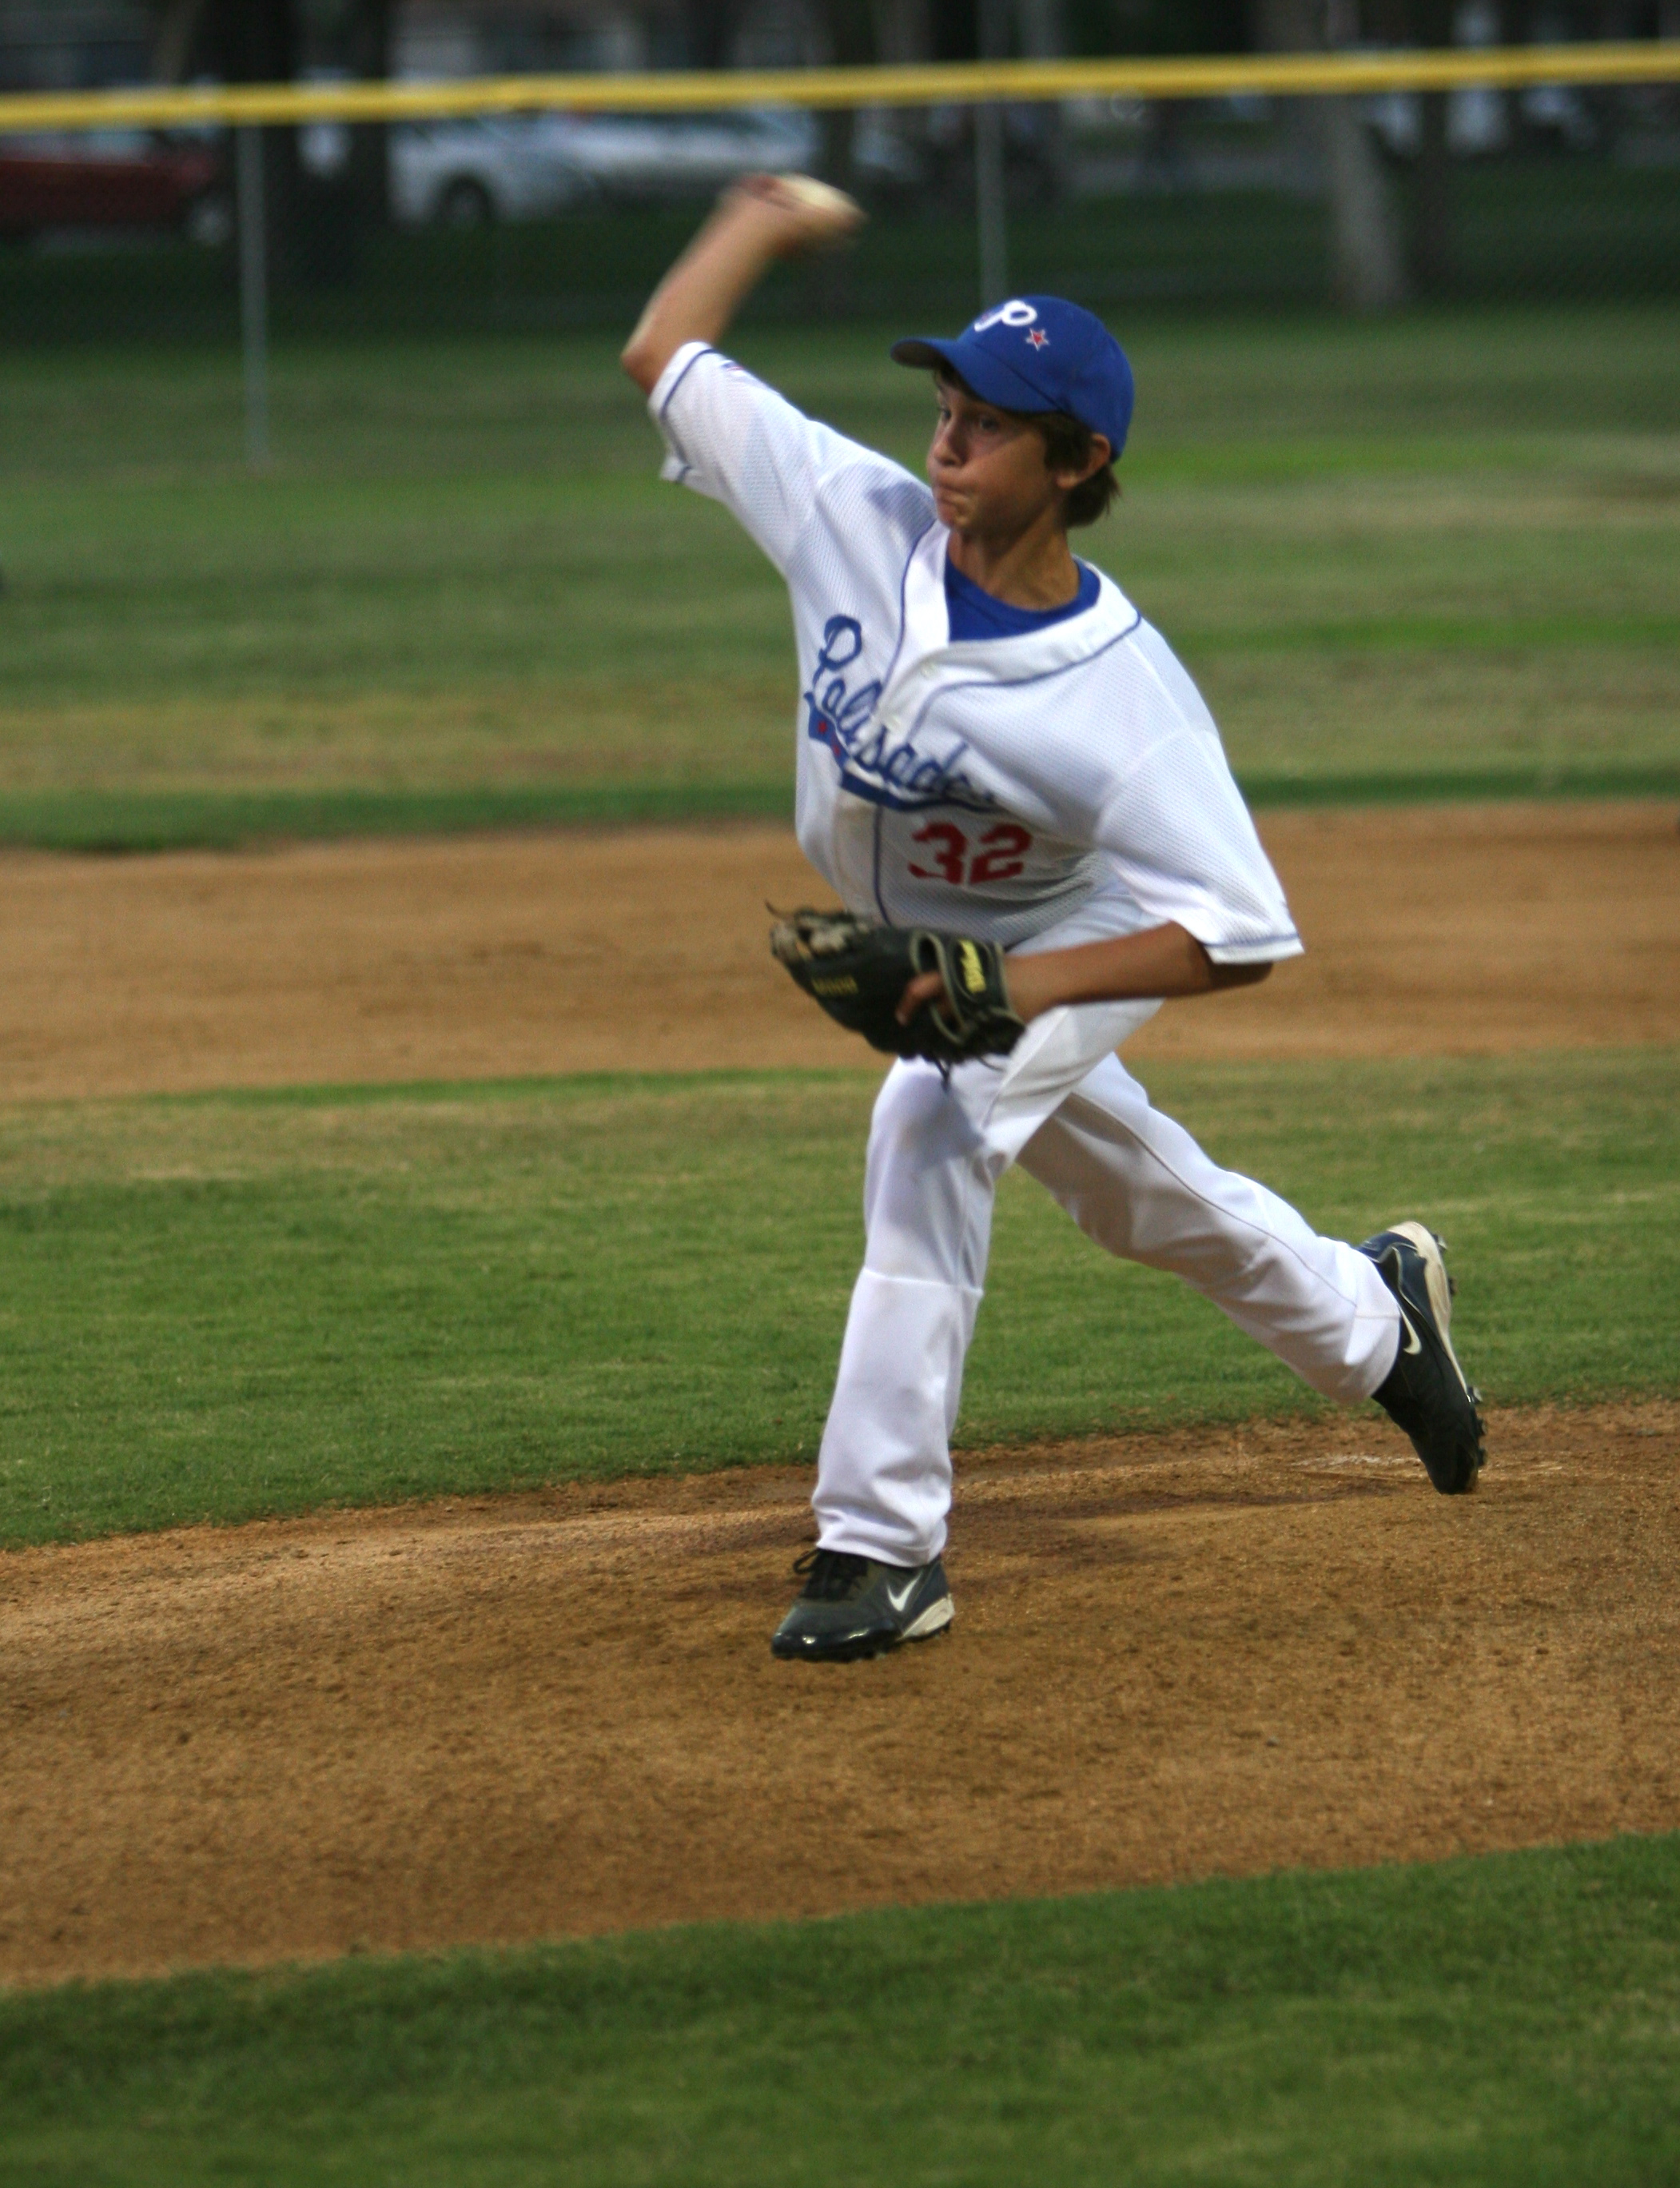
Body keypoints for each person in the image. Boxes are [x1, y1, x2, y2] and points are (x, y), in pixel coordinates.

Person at [620, 176, 1485, 1664]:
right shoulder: (851, 511)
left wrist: (1009, 987)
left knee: (931, 1121)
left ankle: (878, 1546)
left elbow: (1239, 928)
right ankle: (1371, 1317)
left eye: (991, 419)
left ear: (1079, 461)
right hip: (948, 955)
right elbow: (668, 352)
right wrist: (760, 213)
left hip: (1065, 935)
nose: (946, 435)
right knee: (1125, 1192)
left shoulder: (1117, 696)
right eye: (945, 398)